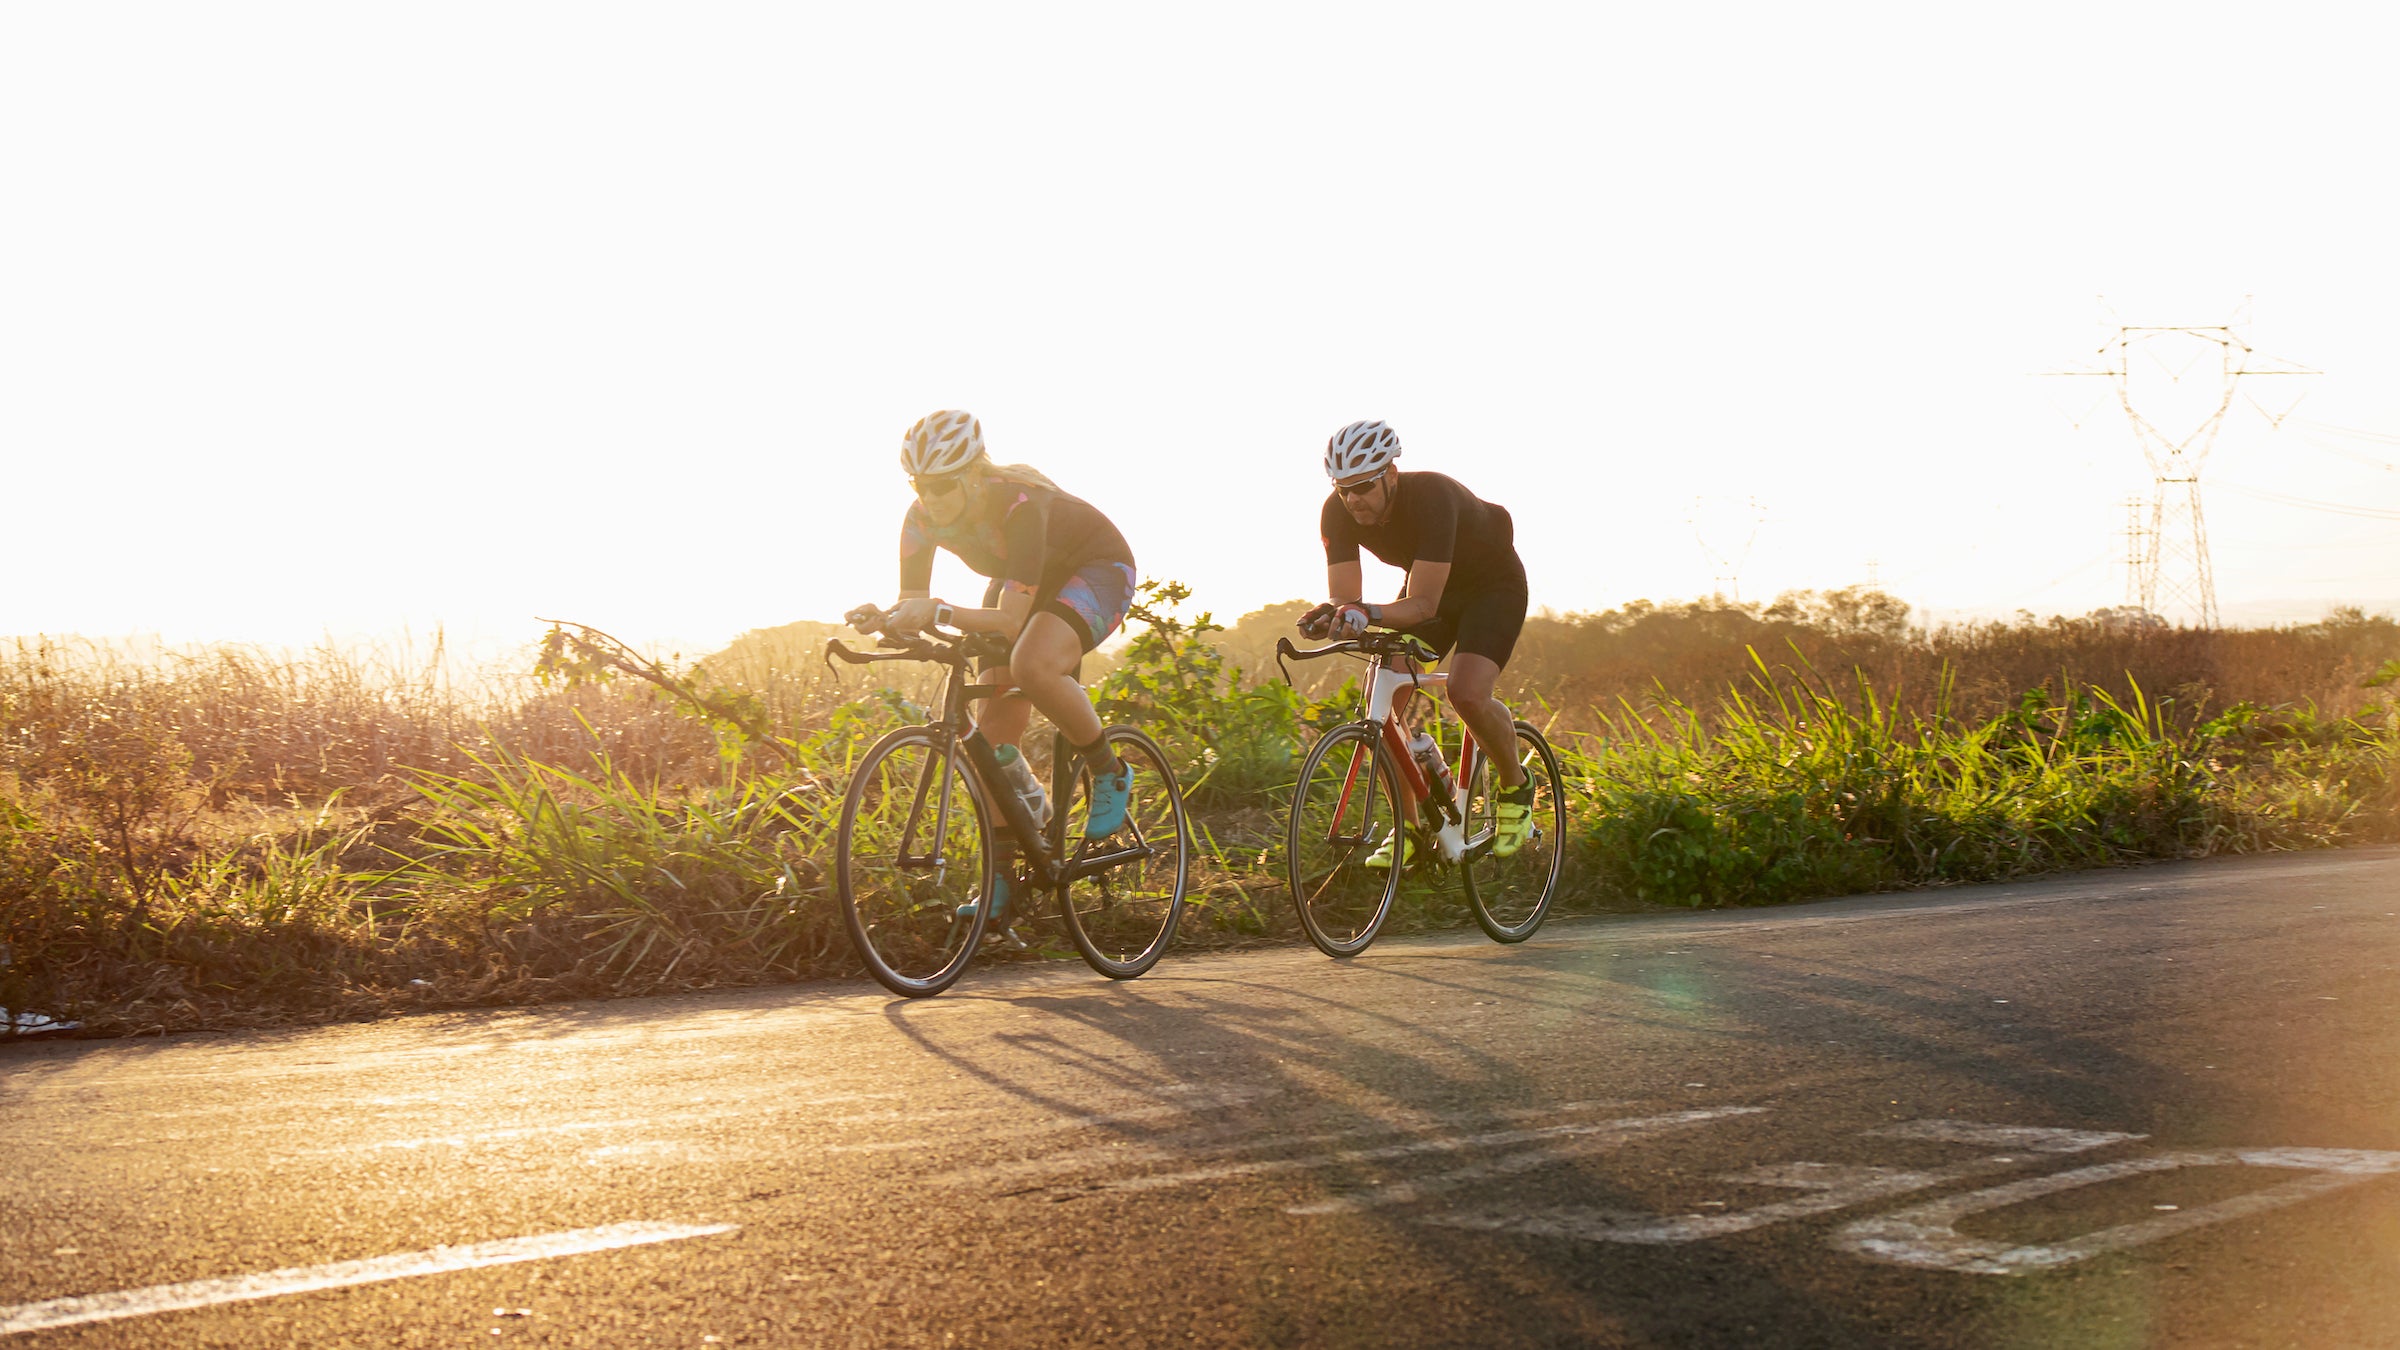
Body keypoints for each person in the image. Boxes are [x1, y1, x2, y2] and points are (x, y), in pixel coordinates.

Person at [847, 410, 1139, 932]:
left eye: (940, 485)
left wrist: (937, 610)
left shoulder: (1018, 505)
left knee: (1031, 663)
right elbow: (913, 604)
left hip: (1096, 570)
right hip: (1020, 584)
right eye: (919, 484)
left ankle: (1109, 771)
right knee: (992, 744)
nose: (929, 497)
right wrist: (889, 618)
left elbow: (1009, 620)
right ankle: (1003, 879)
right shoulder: (918, 519)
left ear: (973, 473)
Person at [1299, 419, 1535, 865]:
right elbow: (1345, 596)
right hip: (1433, 587)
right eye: (1343, 487)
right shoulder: (1337, 511)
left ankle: (1516, 785)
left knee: (1465, 692)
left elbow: (1424, 605)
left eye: (1364, 486)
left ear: (1390, 474)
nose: (1352, 499)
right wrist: (1331, 612)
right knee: (1382, 701)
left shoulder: (1431, 498)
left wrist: (1366, 612)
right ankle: (1409, 829)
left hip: (1491, 587)